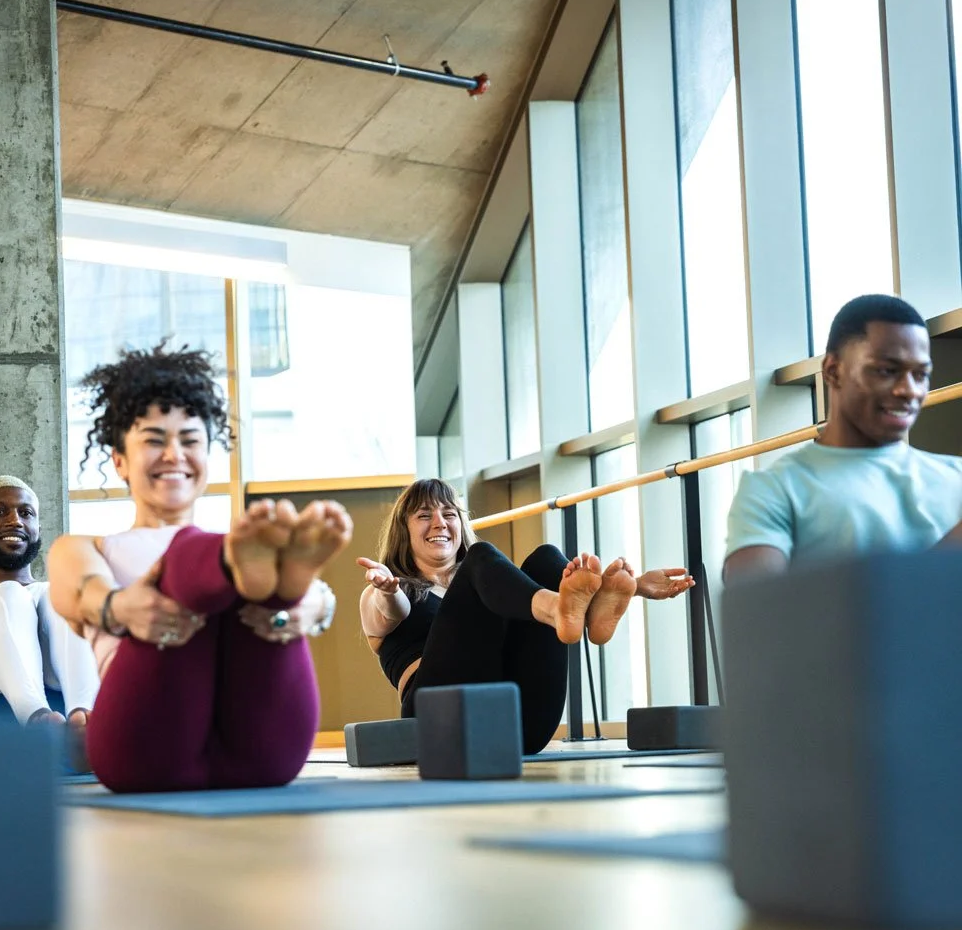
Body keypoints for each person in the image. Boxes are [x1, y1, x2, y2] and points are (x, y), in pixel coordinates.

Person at [48, 343, 351, 793]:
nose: (174, 455)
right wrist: (119, 606)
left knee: (262, 593)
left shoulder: (255, 550)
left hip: (264, 755)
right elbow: (80, 590)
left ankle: (279, 591)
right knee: (193, 556)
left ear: (208, 458)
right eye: (154, 440)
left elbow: (315, 601)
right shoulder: (88, 547)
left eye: (190, 441)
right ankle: (253, 579)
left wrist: (310, 603)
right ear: (119, 461)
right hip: (143, 752)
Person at [358, 478, 694, 755]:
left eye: (449, 513)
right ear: (404, 529)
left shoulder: (491, 583)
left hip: (523, 726)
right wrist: (388, 591)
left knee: (547, 560)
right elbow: (391, 610)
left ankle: (582, 611)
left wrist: (634, 586)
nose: (440, 523)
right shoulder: (385, 590)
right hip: (441, 721)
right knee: (481, 559)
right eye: (424, 515)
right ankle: (560, 609)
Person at [724, 293, 962, 585]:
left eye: (921, 374)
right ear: (833, 371)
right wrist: (947, 554)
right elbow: (761, 617)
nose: (908, 390)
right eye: (887, 371)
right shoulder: (773, 491)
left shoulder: (957, 477)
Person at [0, 476, 99, 726]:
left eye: (26, 513)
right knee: (10, 593)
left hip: (58, 676)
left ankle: (83, 716)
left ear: (38, 530)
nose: (15, 520)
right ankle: (38, 719)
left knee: (60, 591)